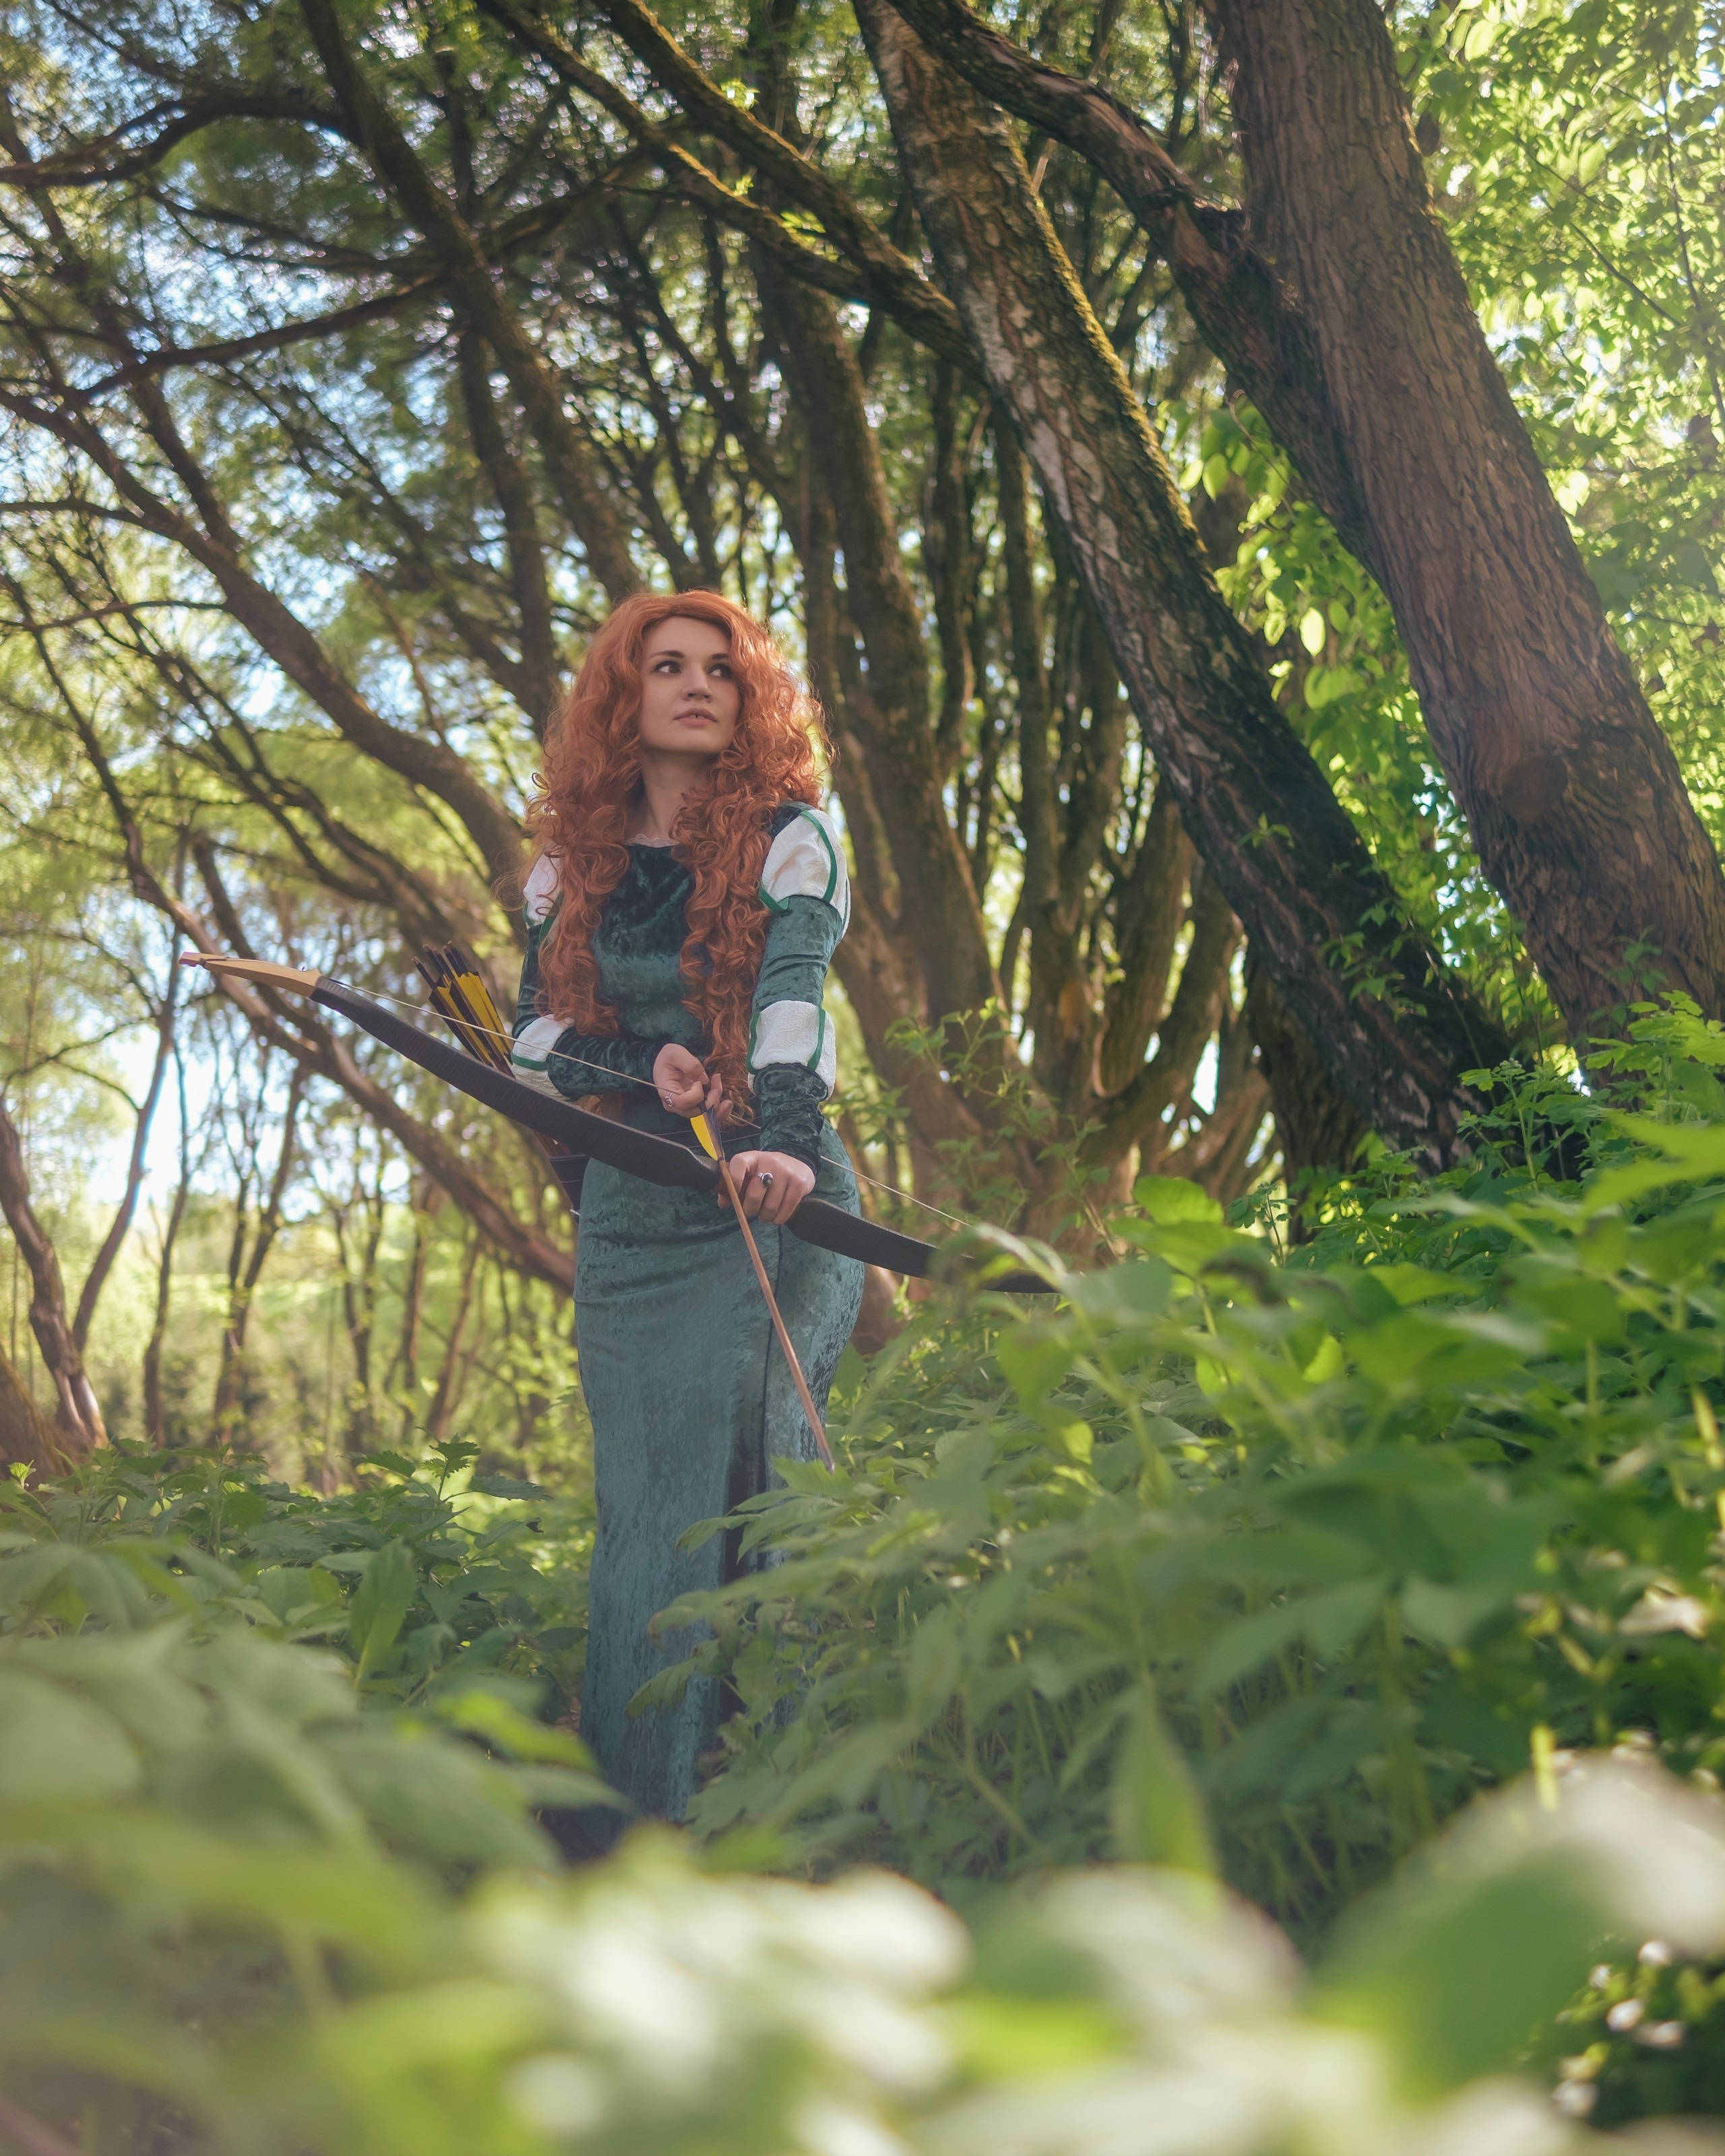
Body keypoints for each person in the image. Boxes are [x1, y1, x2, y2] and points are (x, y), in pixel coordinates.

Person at [511, 590, 864, 1827]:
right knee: (651, 1506)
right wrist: (633, 1070)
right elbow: (526, 1043)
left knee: (774, 1462)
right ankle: (631, 1828)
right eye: (668, 666)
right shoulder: (572, 867)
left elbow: (794, 994)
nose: (698, 684)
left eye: (723, 667)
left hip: (779, 1186)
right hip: (638, 1208)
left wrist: (785, 1143)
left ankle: (802, 1812)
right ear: (627, 697)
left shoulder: (791, 836)